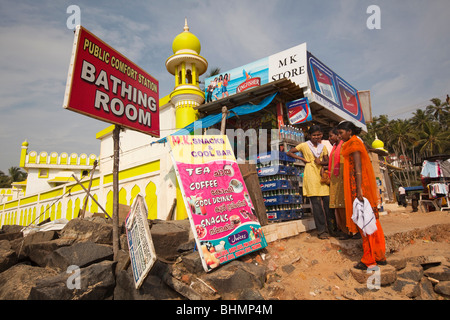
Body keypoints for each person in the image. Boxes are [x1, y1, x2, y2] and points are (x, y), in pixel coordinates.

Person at [337, 121, 386, 270]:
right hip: (359, 186)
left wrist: (358, 189)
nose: (339, 136)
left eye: (341, 133)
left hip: (359, 187)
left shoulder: (354, 143)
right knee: (372, 221)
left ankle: (369, 259)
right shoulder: (354, 142)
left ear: (349, 131)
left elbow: (358, 167)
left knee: (365, 222)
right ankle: (379, 256)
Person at [287, 125, 333, 239]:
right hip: (311, 175)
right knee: (317, 206)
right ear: (309, 136)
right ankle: (322, 231)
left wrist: (321, 163)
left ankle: (333, 229)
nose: (316, 137)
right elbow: (289, 152)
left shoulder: (323, 147)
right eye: (314, 135)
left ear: (322, 135)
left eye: (319, 135)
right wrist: (303, 159)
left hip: (322, 175)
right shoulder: (304, 145)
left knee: (328, 204)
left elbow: (327, 161)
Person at [328, 127, 352, 240]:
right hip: (335, 181)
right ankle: (344, 230)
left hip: (344, 179)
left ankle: (352, 230)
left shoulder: (344, 145)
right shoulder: (334, 148)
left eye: (331, 136)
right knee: (339, 207)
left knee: (346, 206)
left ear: (338, 135)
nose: (329, 138)